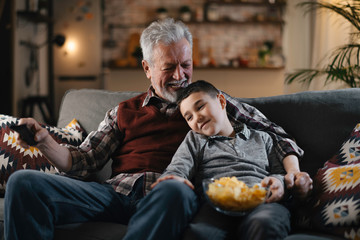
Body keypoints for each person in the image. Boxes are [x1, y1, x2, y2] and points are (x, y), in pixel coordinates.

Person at [4, 18, 312, 240]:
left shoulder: (211, 104)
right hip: (116, 194)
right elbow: (83, 161)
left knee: (174, 190)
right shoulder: (122, 112)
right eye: (168, 67)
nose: (180, 75)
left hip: (172, 194)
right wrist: (44, 141)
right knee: (24, 183)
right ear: (147, 68)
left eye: (186, 64)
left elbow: (278, 135)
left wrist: (291, 174)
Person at [152, 80, 295, 239]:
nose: (197, 118)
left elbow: (280, 173)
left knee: (265, 224)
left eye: (200, 107)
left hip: (261, 202)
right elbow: (177, 169)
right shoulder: (196, 139)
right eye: (189, 117)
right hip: (215, 206)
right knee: (200, 234)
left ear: (221, 101)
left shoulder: (262, 138)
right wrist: (171, 180)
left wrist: (278, 182)